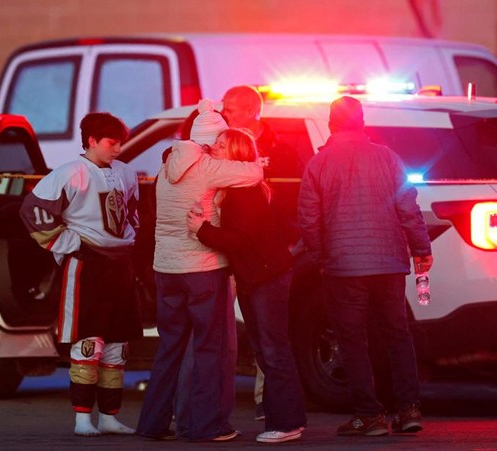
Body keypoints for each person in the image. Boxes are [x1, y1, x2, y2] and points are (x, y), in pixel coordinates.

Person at [298, 96, 433, 436]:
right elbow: (408, 207)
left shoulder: (318, 164)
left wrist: (319, 255)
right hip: (388, 263)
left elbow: (308, 219)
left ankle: (367, 416)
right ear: (362, 122)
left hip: (342, 266)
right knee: (397, 335)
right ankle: (408, 409)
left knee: (352, 340)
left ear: (331, 124)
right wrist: (421, 249)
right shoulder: (389, 158)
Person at [136, 99, 263, 442]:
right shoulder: (208, 167)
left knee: (169, 347)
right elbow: (255, 172)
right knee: (209, 348)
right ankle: (206, 426)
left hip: (166, 269)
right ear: (211, 140)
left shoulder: (166, 167)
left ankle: (153, 423)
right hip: (203, 269)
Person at [20, 112, 141, 437]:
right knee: (89, 342)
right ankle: (82, 418)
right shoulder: (69, 174)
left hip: (120, 266)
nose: (117, 149)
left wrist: (130, 240)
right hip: (86, 266)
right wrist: (69, 244)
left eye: (120, 143)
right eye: (111, 142)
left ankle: (110, 416)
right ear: (91, 140)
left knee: (117, 345)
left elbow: (132, 212)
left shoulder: (127, 173)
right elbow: (32, 211)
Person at [186, 128, 308, 443]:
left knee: (273, 348)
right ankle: (283, 419)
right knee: (268, 349)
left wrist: (202, 230)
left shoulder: (244, 191)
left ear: (237, 154)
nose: (215, 147)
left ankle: (287, 422)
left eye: (222, 144)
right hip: (260, 276)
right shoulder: (240, 188)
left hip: (265, 277)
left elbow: (241, 240)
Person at [222, 85, 312, 246]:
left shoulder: (281, 151)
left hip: (273, 240)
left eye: (229, 110)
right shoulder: (220, 146)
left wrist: (288, 238)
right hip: (232, 238)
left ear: (250, 111)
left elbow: (293, 199)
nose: (223, 115)